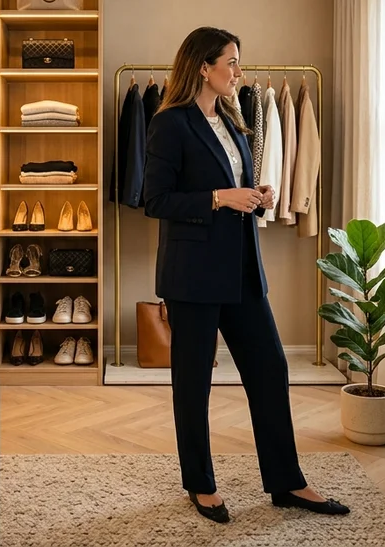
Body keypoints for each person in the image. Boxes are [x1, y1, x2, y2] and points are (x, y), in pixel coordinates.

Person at [143, 26, 349, 523]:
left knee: (270, 369)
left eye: (238, 62)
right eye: (231, 62)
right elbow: (154, 200)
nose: (239, 71)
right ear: (202, 67)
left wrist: (257, 196)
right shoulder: (170, 124)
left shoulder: (233, 122)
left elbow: (232, 187)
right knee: (193, 384)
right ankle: (200, 483)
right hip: (192, 278)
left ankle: (286, 481)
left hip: (242, 272)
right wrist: (219, 198)